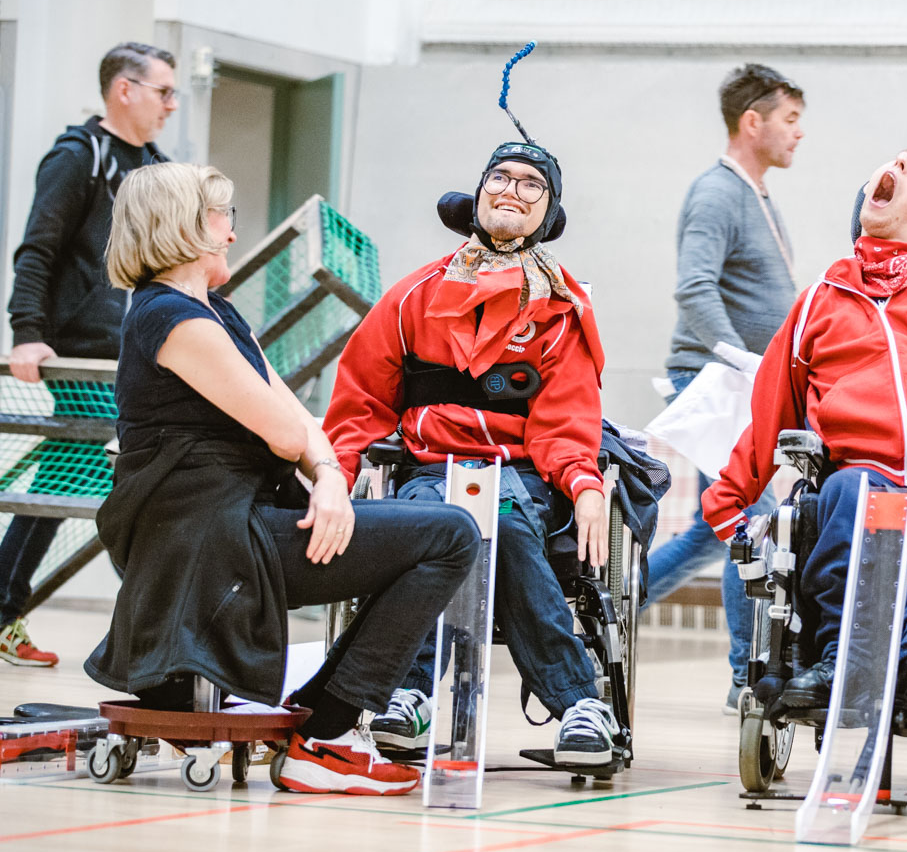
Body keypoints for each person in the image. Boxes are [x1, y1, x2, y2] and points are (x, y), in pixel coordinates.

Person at [83, 163, 481, 796]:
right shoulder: (171, 319)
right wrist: (315, 463)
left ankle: (324, 721)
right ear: (186, 227)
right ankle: (324, 736)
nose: (232, 234)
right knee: (451, 535)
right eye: (223, 217)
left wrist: (327, 479)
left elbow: (300, 419)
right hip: (210, 545)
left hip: (235, 527)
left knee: (443, 534)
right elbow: (287, 433)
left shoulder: (213, 312)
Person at [323, 136, 621, 769]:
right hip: (430, 469)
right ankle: (408, 697)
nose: (511, 190)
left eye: (530, 184)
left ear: (548, 212)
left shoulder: (562, 310)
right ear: (478, 193)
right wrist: (330, 477)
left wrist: (587, 485)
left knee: (504, 528)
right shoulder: (412, 297)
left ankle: (578, 705)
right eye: (500, 177)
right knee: (441, 532)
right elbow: (358, 402)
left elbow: (567, 417)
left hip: (518, 473)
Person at [702, 145, 907, 730]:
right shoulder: (823, 297)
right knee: (841, 505)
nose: (898, 167)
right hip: (855, 468)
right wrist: (729, 496)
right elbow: (774, 404)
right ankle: (837, 658)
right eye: (895, 159)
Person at [1, 42, 174, 667]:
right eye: (164, 92)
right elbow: (38, 249)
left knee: (63, 478)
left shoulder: (155, 165)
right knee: (126, 480)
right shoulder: (79, 157)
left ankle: (2, 607)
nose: (172, 106)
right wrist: (27, 331)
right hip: (79, 349)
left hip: (130, 350)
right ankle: (157, 629)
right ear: (124, 90)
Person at [647, 63, 804, 713]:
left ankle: (599, 610)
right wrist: (742, 361)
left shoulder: (755, 194)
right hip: (716, 381)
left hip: (741, 383)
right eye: (791, 120)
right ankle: (746, 679)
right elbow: (693, 286)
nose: (800, 135)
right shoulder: (717, 193)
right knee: (750, 521)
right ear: (753, 121)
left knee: (718, 528)